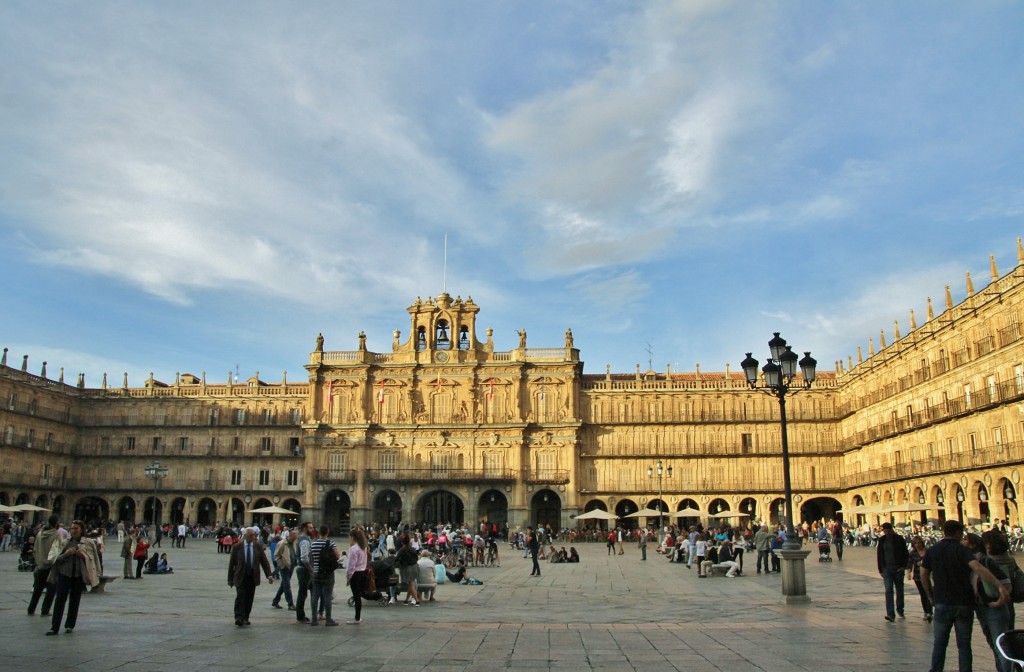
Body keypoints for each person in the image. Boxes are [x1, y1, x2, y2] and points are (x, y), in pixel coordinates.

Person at [921, 519, 1009, 672]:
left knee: (940, 644)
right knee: (964, 645)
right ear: (957, 533)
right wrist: (998, 584)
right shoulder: (962, 550)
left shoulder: (933, 550)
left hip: (942, 602)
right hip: (963, 603)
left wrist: (930, 595)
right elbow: (976, 567)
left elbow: (923, 573)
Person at [965, 532, 1012, 672]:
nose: (963, 541)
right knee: (993, 643)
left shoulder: (985, 561)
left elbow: (1006, 583)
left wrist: (999, 601)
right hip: (982, 608)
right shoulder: (969, 562)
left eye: (965, 539)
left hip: (994, 608)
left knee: (1001, 645)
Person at [46, 520, 100, 635]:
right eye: (72, 528)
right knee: (60, 600)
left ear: (81, 530)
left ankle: (70, 625)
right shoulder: (65, 542)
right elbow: (55, 559)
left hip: (78, 575)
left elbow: (93, 559)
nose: (73, 531)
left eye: (76, 528)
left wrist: (82, 556)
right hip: (64, 574)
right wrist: (66, 554)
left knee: (75, 601)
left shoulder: (88, 543)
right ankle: (54, 627)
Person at [227, 527, 274, 627]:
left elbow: (264, 561)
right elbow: (232, 565)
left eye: (254, 535)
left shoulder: (257, 546)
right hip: (240, 576)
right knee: (240, 596)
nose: (253, 537)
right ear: (245, 536)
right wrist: (230, 580)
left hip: (252, 576)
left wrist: (269, 575)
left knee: (249, 597)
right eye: (251, 535)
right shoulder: (237, 547)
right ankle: (239, 617)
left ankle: (246, 617)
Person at [28, 515, 62, 617]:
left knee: (37, 589)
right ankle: (45, 610)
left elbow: (34, 549)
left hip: (40, 565)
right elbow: (56, 551)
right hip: (50, 566)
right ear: (56, 523)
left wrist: (38, 560)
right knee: (51, 590)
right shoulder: (56, 534)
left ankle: (31, 609)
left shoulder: (39, 533)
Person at [877, 522, 910, 622]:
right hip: (887, 569)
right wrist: (880, 569)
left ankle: (900, 609)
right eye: (885, 531)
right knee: (888, 591)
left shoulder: (899, 539)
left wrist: (903, 566)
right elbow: (879, 555)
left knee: (899, 590)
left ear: (892, 530)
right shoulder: (882, 540)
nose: (887, 533)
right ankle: (890, 614)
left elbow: (905, 553)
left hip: (898, 568)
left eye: (888, 531)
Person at [308, 524, 340, 626]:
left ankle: (313, 619)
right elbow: (338, 556)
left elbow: (311, 558)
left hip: (316, 573)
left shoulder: (313, 544)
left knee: (315, 596)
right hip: (327, 573)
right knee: (327, 596)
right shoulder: (331, 543)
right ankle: (328, 619)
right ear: (327, 532)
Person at [345, 527, 368, 624]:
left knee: (356, 596)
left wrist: (348, 577)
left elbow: (351, 565)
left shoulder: (354, 549)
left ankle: (357, 618)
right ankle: (358, 617)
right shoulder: (363, 547)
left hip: (355, 574)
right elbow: (365, 562)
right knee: (358, 596)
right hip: (362, 572)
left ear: (353, 537)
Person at [907, 536, 933, 623]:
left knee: (929, 592)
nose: (917, 545)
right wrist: (908, 572)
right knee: (923, 594)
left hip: (929, 576)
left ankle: (930, 611)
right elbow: (909, 564)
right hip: (918, 576)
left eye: (918, 542)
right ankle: (927, 612)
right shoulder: (912, 553)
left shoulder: (928, 551)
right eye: (915, 543)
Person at [271, 529, 297, 610]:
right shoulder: (282, 543)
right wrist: (282, 565)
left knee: (283, 585)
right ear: (290, 536)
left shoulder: (293, 543)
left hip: (291, 566)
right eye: (294, 538)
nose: (295, 540)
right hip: (284, 567)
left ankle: (275, 601)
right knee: (287, 585)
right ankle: (290, 603)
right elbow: (276, 555)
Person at [294, 522, 313, 623]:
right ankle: (300, 615)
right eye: (310, 528)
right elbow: (304, 558)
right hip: (304, 570)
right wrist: (310, 569)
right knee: (302, 593)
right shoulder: (304, 540)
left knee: (306, 591)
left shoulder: (304, 539)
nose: (312, 529)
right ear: (305, 528)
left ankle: (313, 613)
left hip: (303, 569)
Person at [395, 534, 420, 606]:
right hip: (414, 566)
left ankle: (417, 600)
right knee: (411, 583)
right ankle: (406, 600)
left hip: (407, 568)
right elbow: (416, 558)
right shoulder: (412, 549)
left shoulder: (402, 550)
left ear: (402, 543)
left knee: (411, 584)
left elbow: (396, 559)